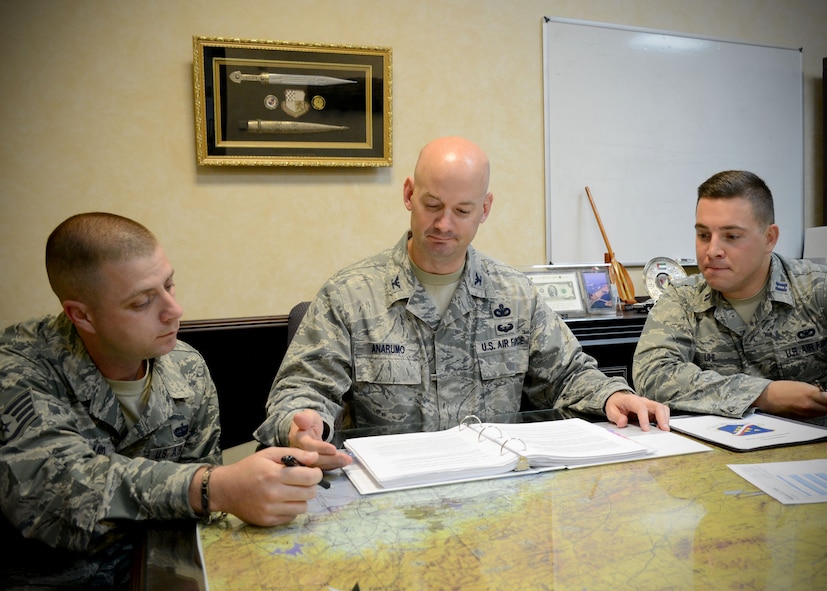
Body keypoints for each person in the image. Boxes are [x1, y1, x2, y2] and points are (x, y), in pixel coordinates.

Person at [254, 136, 670, 468]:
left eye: (462, 210)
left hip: (497, 491)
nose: (443, 224)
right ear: (408, 195)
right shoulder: (351, 294)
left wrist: (611, 396)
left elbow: (566, 375)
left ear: (485, 209)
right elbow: (302, 389)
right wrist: (302, 423)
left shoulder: (514, 294)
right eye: (432, 205)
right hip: (392, 496)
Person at [0, 213, 324, 589]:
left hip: (165, 570)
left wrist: (245, 490)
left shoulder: (186, 367)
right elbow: (55, 497)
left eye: (170, 286)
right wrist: (214, 487)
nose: (174, 310)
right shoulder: (19, 371)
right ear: (81, 315)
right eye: (142, 302)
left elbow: (193, 514)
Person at [633, 170, 827, 425]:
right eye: (703, 235)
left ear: (769, 239)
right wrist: (763, 395)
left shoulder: (817, 289)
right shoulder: (682, 298)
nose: (712, 251)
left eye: (731, 237)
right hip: (714, 453)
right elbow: (654, 376)